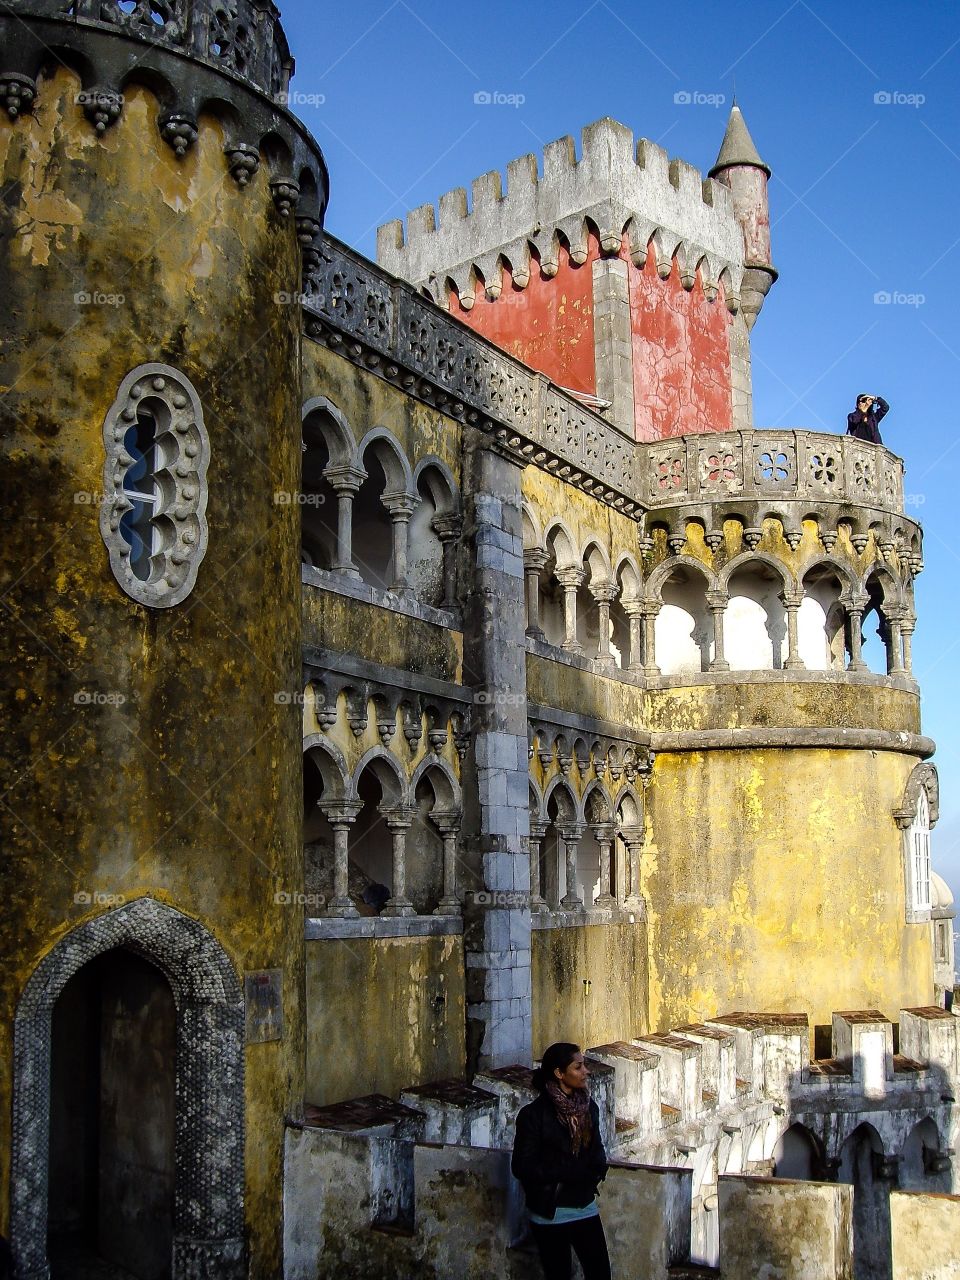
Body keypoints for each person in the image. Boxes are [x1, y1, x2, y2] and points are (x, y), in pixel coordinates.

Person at [512, 1042, 611, 1280]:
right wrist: (568, 1172)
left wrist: (596, 1170)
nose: (586, 1071)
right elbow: (522, 1166)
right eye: (578, 1067)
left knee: (600, 1273)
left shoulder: (589, 1109)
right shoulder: (533, 1115)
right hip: (550, 1211)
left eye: (584, 1065)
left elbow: (596, 1149)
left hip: (584, 1205)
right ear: (559, 1073)